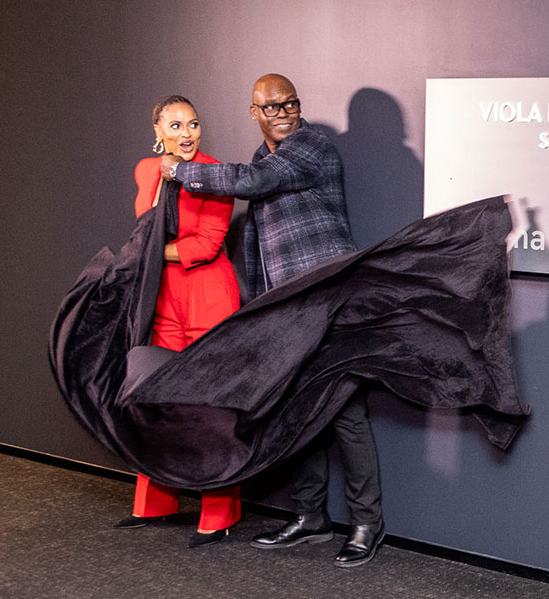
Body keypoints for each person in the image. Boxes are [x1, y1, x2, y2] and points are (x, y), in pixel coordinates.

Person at [161, 74, 385, 567]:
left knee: (346, 414)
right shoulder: (266, 156)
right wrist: (263, 311)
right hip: (287, 309)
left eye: (291, 103)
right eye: (272, 106)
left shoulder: (311, 147)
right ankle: (311, 517)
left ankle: (368, 523)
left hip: (328, 300)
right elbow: (262, 244)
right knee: (298, 411)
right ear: (254, 112)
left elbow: (254, 183)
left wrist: (182, 171)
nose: (284, 112)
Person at [114, 95, 242, 548]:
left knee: (210, 404)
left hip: (209, 294)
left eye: (193, 124)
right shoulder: (145, 171)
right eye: (176, 125)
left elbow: (205, 246)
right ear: (158, 131)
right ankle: (157, 503)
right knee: (157, 398)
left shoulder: (215, 174)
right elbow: (143, 228)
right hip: (164, 297)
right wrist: (148, 256)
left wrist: (147, 255)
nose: (186, 133)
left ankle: (220, 512)